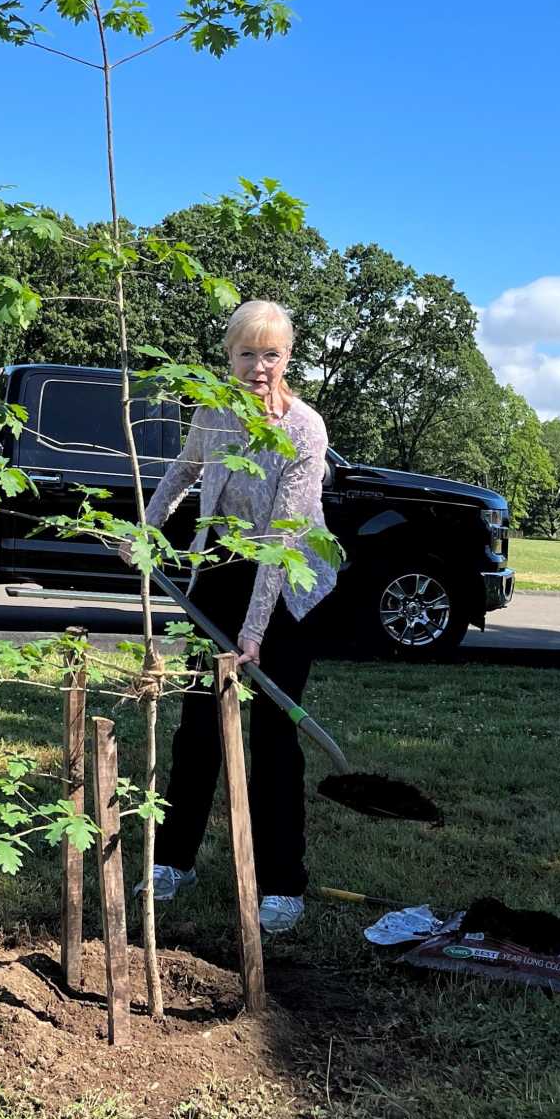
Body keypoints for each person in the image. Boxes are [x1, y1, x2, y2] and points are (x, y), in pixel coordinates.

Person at [134, 299, 338, 936]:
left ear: (287, 358)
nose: (258, 366)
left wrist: (254, 631)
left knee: (275, 738)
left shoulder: (305, 429)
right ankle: (174, 860)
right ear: (229, 355)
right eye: (247, 353)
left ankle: (282, 883)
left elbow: (282, 538)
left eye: (271, 354)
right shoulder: (214, 413)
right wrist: (146, 530)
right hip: (221, 571)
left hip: (288, 585)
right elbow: (181, 471)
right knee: (198, 724)